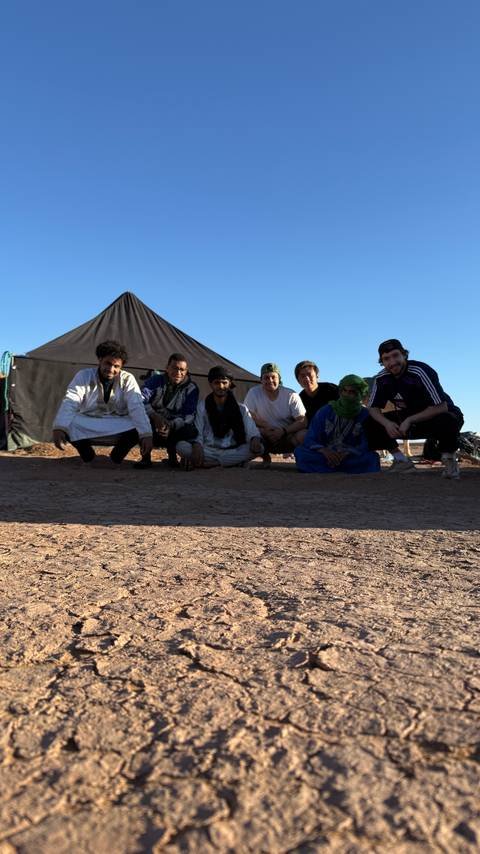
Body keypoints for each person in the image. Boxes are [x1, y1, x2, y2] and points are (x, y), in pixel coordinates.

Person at [366, 338, 464, 478]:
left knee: (448, 419)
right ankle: (401, 460)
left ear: (404, 354)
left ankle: (449, 461)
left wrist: (410, 420)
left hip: (436, 415)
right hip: (410, 417)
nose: (392, 362)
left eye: (395, 355)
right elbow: (373, 408)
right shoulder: (382, 378)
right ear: (382, 362)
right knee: (369, 422)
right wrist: (387, 424)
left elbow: (442, 407)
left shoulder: (420, 371)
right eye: (386, 358)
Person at [52, 340, 152, 464]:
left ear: (121, 366)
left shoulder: (127, 379)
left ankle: (117, 456)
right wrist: (59, 428)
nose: (111, 369)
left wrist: (146, 434)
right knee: (67, 422)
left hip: (118, 422)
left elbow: (136, 406)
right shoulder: (84, 375)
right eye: (108, 363)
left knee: (140, 424)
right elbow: (71, 401)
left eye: (116, 366)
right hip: (89, 420)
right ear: (99, 360)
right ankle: (87, 455)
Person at [176, 366, 264, 468]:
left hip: (232, 450)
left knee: (260, 448)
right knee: (181, 446)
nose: (221, 386)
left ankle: (214, 463)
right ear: (211, 384)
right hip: (208, 450)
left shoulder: (241, 408)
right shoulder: (202, 406)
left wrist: (255, 439)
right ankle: (232, 463)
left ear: (229, 384)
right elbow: (198, 432)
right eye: (217, 383)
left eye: (224, 383)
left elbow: (253, 432)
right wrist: (197, 445)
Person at [295, 375, 380, 474]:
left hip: (350, 455)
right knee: (300, 453)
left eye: (352, 392)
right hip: (325, 454)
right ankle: (344, 469)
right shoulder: (326, 410)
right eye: (344, 391)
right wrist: (324, 451)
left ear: (360, 394)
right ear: (340, 392)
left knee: (372, 458)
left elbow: (366, 443)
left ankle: (328, 469)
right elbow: (311, 437)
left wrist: (347, 453)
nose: (347, 395)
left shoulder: (365, 415)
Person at [134, 352, 199, 469]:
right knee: (140, 420)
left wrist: (171, 424)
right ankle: (145, 457)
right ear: (167, 368)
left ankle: (173, 457)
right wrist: (154, 416)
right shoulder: (155, 380)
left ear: (186, 370)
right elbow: (140, 399)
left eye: (182, 370)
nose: (178, 373)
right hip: (153, 421)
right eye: (174, 368)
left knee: (189, 429)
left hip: (175, 423)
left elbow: (189, 414)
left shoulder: (192, 388)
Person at [243, 363, 306, 465]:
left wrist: (283, 431)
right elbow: (248, 415)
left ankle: (301, 459)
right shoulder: (253, 393)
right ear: (261, 380)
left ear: (279, 378)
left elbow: (302, 421)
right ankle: (264, 456)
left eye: (273, 377)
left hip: (286, 436)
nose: (270, 380)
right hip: (264, 435)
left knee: (304, 435)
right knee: (243, 431)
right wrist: (264, 429)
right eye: (266, 378)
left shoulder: (291, 394)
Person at [295, 360, 339, 425]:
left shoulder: (332, 389)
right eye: (302, 376)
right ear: (298, 381)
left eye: (309, 374)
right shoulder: (299, 399)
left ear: (317, 376)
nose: (307, 378)